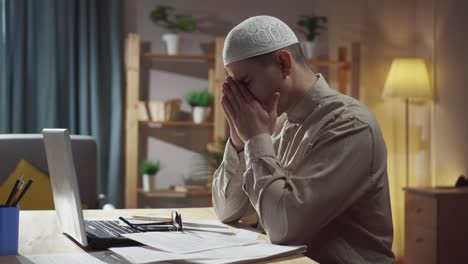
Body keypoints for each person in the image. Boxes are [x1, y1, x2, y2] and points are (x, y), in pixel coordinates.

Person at [211, 15, 395, 263]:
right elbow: (226, 210)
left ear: (283, 63)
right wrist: (239, 142)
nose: (241, 97)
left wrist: (256, 139)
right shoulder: (276, 122)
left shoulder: (349, 126)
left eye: (245, 82)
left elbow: (283, 230)